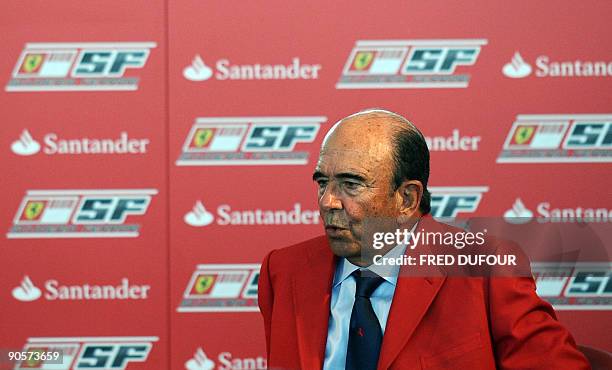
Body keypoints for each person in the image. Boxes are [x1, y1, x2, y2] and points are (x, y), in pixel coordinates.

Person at [258, 109, 590, 370]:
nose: (327, 201)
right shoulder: (283, 271)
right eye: (322, 183)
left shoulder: (484, 270)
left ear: (407, 199)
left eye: (351, 184)